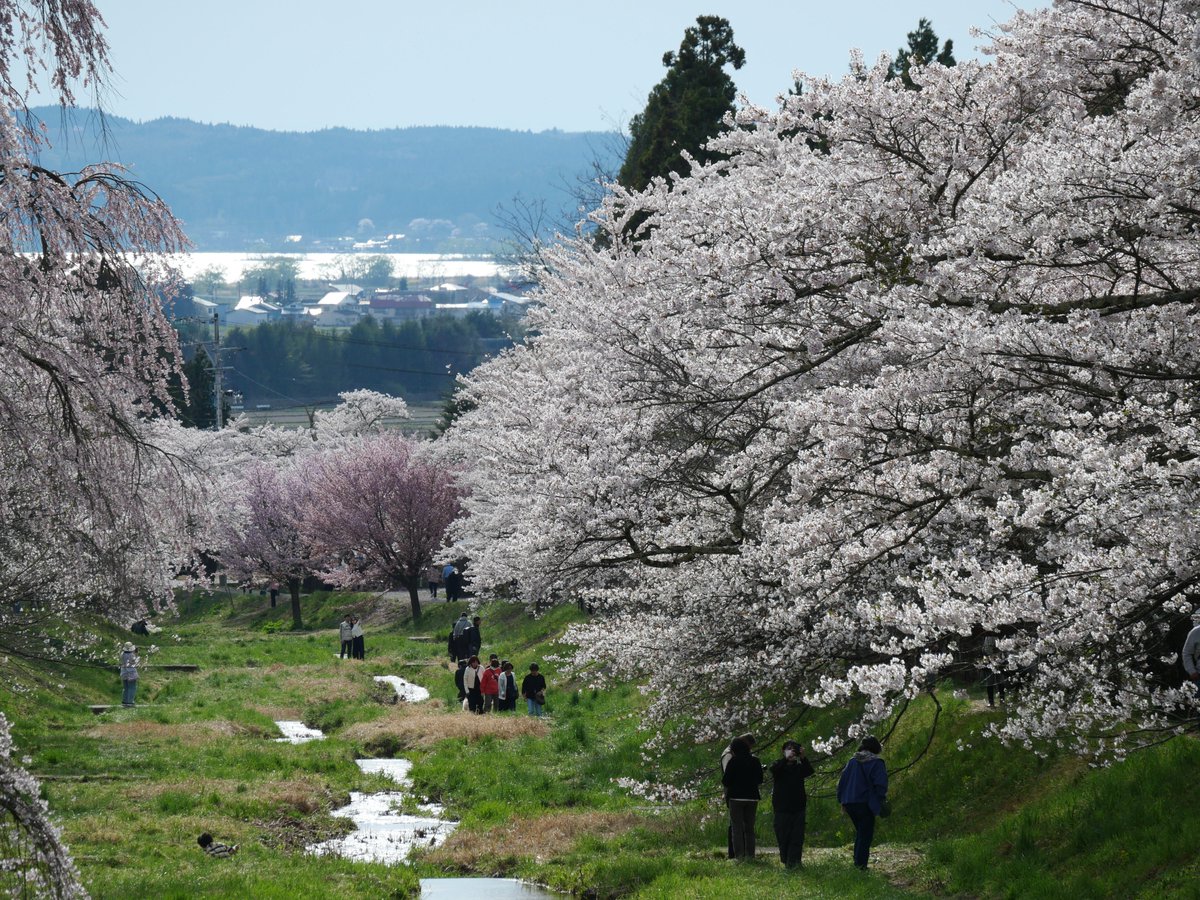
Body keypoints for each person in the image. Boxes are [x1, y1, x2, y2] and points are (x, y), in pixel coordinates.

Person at [837, 735, 888, 871]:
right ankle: (860, 866)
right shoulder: (876, 763)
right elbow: (880, 784)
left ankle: (858, 863)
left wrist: (841, 799)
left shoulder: (852, 761)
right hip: (865, 802)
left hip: (849, 802)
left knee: (860, 832)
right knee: (865, 834)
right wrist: (880, 798)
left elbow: (842, 782)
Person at [771, 740, 815, 868]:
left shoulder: (799, 767)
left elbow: (809, 771)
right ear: (783, 751)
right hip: (781, 807)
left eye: (793, 749)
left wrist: (803, 757)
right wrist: (786, 759)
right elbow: (774, 770)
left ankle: (795, 862)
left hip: (798, 806)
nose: (791, 752)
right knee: (783, 835)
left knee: (797, 836)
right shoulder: (779, 765)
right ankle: (786, 860)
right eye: (788, 749)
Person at [721, 737, 763, 860]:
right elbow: (760, 779)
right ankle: (751, 855)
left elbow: (726, 781)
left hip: (736, 798)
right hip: (752, 798)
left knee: (737, 828)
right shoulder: (755, 761)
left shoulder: (733, 762)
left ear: (734, 750)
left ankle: (739, 856)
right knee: (749, 828)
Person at [119, 643, 139, 708]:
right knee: (132, 687)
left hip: (124, 672)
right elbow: (135, 662)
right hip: (131, 673)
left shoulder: (122, 654)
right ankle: (130, 702)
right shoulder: (132, 655)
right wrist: (136, 654)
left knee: (126, 687)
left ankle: (125, 701)